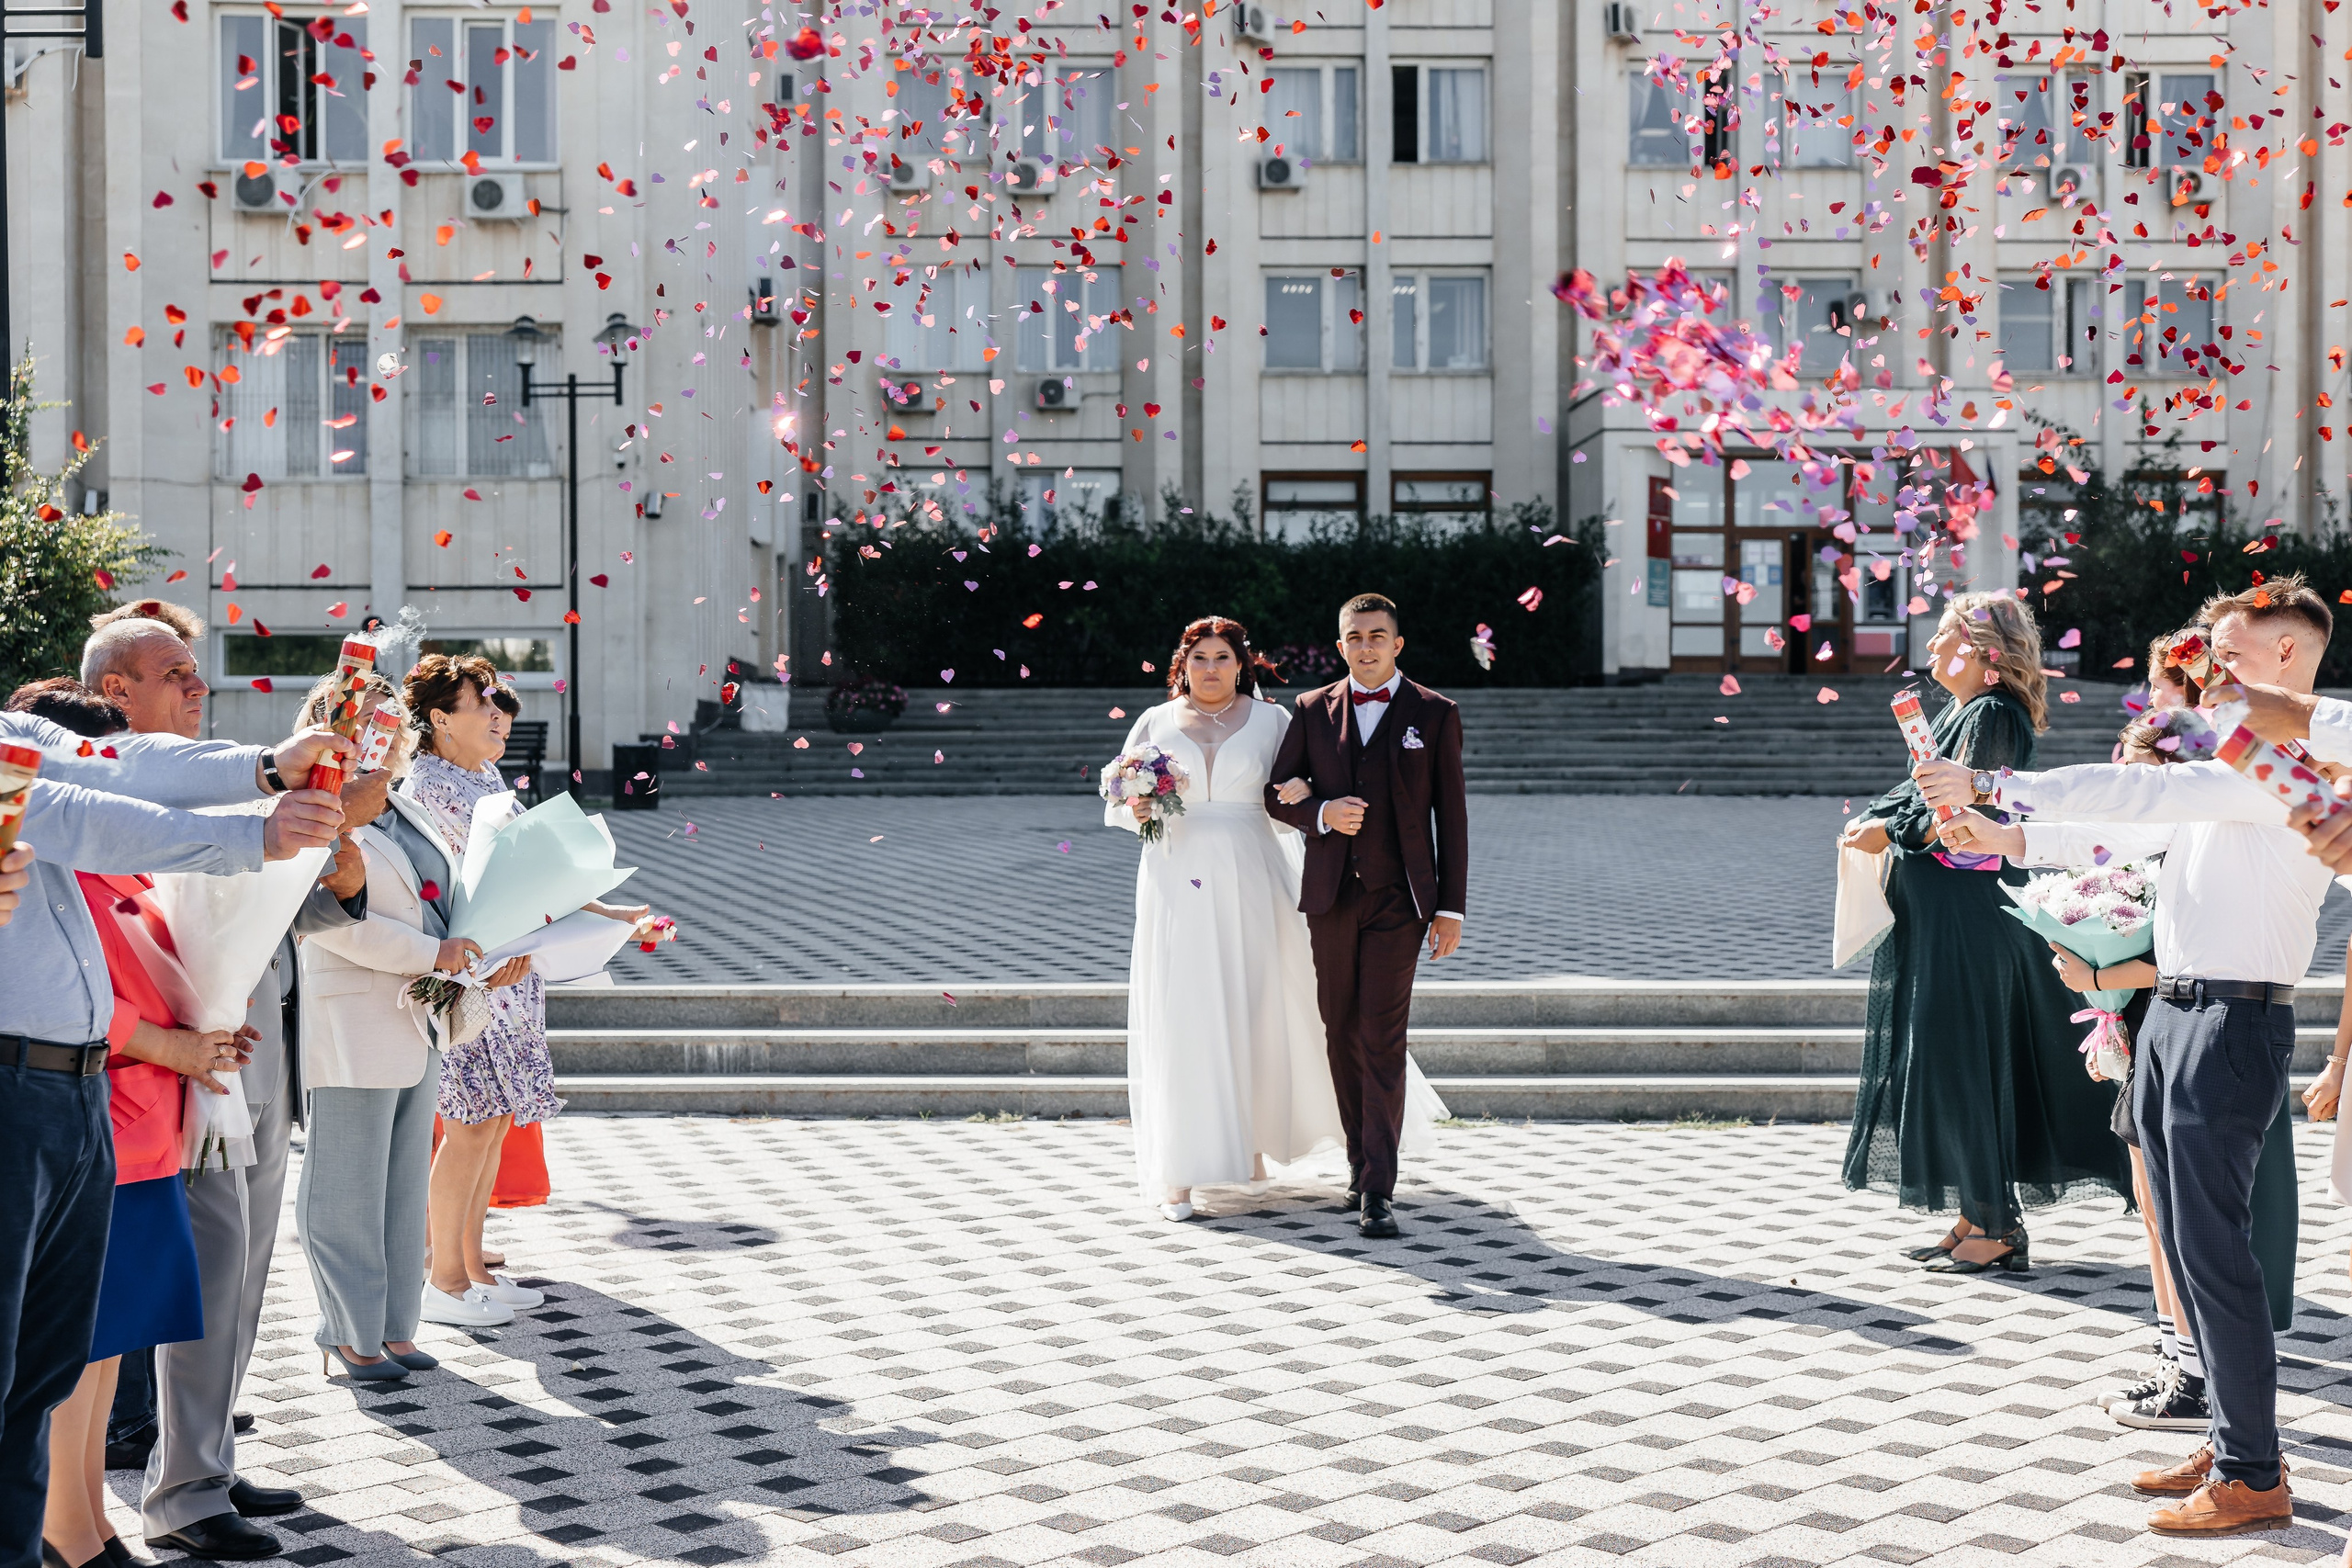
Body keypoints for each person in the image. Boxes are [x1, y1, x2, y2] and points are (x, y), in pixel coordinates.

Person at [1915, 575, 2337, 1536]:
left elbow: (2138, 787)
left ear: (2285, 659)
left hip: (2231, 1024)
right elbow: (2136, 823)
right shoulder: (2236, 762)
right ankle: (2235, 1436)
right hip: (2180, 1014)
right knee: (2185, 1246)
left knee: (2214, 1254)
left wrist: (1990, 783)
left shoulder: (2289, 760)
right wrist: (2009, 834)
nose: (2210, 670)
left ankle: (2252, 1475)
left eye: (2228, 654)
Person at [0, 706, 347, 1568]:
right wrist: (253, 832)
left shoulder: (16, 734)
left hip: (71, 1085)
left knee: (45, 1367)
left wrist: (267, 766)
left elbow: (116, 766)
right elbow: (79, 813)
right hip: (24, 1083)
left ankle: (49, 1538)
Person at [108, 615, 390, 1563]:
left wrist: (338, 869)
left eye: (196, 676)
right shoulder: (124, 790)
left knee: (246, 1265)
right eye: (175, 676)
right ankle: (180, 1492)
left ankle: (209, 1459)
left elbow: (283, 910)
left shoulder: (218, 774)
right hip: (180, 1062)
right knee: (207, 1271)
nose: (198, 689)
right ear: (118, 693)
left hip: (254, 1044)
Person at [1107, 617, 1443, 1222]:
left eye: (1223, 657)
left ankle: (1253, 1143)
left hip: (1252, 873)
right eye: (1200, 657)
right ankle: (1178, 1172)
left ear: (1243, 664)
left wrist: (1326, 811)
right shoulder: (1155, 723)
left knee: (1260, 1006)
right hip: (1175, 877)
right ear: (1183, 664)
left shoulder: (1274, 721)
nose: (1211, 668)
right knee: (1185, 1010)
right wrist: (1141, 804)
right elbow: (1126, 801)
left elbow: (1297, 793)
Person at [1838, 593, 2129, 1273]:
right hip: (1947, 919)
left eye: (1946, 637)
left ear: (1988, 659)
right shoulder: (1963, 712)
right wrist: (1882, 817)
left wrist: (1886, 829)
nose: (1932, 648)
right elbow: (1921, 794)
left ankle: (1996, 1227)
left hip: (1968, 922)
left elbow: (1958, 822)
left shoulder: (1992, 714)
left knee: (1963, 1058)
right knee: (1951, 1056)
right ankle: (1977, 1211)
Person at [401, 655, 646, 1326]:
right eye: (479, 703)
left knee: (492, 1125)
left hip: (508, 973)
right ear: (440, 719)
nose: (494, 713)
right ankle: (444, 1281)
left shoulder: (479, 775)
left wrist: (612, 914)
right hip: (471, 975)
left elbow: (532, 876)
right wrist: (500, 946)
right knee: (468, 1125)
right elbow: (454, 891)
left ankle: (473, 1265)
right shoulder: (428, 785)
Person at [298, 677, 528, 1381]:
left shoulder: (400, 801)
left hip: (421, 1015)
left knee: (399, 1185)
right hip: (353, 1015)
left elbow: (439, 902)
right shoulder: (312, 806)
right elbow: (325, 923)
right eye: (365, 718)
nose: (381, 730)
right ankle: (347, 1331)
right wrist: (436, 955)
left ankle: (396, 1326)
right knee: (345, 1186)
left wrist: (488, 950)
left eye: (388, 720)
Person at [1263, 594, 1467, 1241]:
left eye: (1379, 635)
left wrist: (1451, 906)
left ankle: (1377, 1185)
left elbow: (1452, 817)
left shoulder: (1435, 713)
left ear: (1397, 644)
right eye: (1356, 636)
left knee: (1383, 1037)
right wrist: (1321, 812)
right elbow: (1276, 792)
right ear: (1340, 644)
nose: (1368, 646)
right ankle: (1360, 1161)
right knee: (1340, 1030)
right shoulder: (1310, 708)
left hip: (1400, 902)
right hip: (1330, 896)